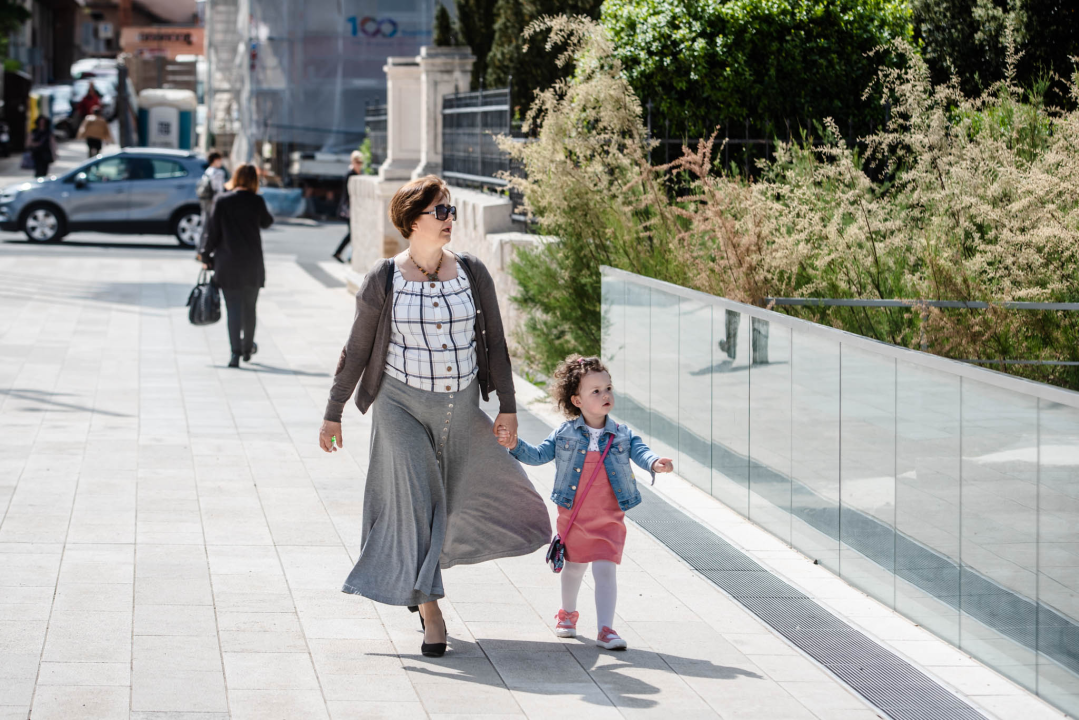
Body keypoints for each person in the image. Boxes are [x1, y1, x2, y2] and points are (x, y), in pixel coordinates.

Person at [318, 175, 551, 658]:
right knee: (417, 502)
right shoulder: (384, 278)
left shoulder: (472, 271)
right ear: (412, 221)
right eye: (439, 212)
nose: (449, 220)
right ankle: (431, 609)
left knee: (480, 497)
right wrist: (334, 412)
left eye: (450, 211)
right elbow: (357, 349)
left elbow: (496, 344)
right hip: (399, 406)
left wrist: (506, 406)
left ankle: (418, 575)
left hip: (461, 405)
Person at [498, 355, 674, 651]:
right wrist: (514, 444)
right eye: (596, 391)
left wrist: (656, 463)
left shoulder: (622, 434)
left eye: (608, 388)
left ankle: (606, 629)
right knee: (575, 568)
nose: (605, 395)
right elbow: (539, 455)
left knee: (606, 569)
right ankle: (567, 614)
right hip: (574, 515)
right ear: (576, 401)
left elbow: (642, 451)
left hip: (609, 517)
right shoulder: (565, 433)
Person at [197, 163, 274, 368]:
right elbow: (267, 222)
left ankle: (235, 354)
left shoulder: (222, 201)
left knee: (233, 309)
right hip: (252, 264)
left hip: (228, 263)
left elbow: (212, 232)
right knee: (250, 309)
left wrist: (205, 256)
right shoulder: (257, 201)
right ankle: (248, 348)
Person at [331, 150, 364, 262]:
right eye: (357, 161)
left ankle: (345, 254)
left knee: (353, 233)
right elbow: (348, 193)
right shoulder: (350, 174)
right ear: (353, 161)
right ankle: (340, 253)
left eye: (361, 162)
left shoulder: (357, 174)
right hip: (349, 208)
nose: (359, 164)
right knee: (352, 232)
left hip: (353, 207)